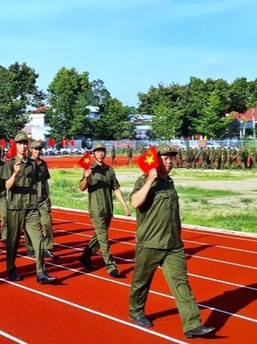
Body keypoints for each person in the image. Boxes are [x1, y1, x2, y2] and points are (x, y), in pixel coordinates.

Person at [128, 143, 215, 339]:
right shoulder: (144, 181)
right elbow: (135, 202)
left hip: (173, 245)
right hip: (150, 243)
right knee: (141, 283)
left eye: (170, 158)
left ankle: (192, 325)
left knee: (181, 283)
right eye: (164, 158)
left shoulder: (169, 183)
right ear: (155, 160)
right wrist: (149, 181)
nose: (168, 162)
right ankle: (136, 311)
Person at [1, 131, 56, 284]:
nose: (23, 146)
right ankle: (11, 268)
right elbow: (7, 186)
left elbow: (40, 183)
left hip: (31, 207)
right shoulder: (9, 164)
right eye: (20, 143)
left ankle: (41, 273)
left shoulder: (33, 164)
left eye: (25, 143)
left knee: (38, 240)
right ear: (15, 145)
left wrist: (44, 199)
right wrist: (15, 174)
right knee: (13, 241)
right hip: (15, 207)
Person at [78, 142, 131, 277]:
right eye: (97, 151)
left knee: (98, 236)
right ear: (93, 154)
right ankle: (111, 266)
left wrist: (125, 206)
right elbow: (82, 187)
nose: (100, 153)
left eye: (102, 151)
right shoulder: (89, 169)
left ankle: (85, 256)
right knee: (104, 238)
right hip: (96, 210)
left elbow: (116, 188)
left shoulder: (109, 170)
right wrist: (86, 177)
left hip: (108, 208)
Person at [24, 140, 57, 259]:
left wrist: (48, 196)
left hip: (42, 198)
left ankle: (47, 247)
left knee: (47, 223)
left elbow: (45, 181)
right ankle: (30, 248)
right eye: (35, 149)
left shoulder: (43, 164)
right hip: (30, 198)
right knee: (30, 226)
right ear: (31, 150)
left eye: (39, 149)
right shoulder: (26, 163)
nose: (38, 151)